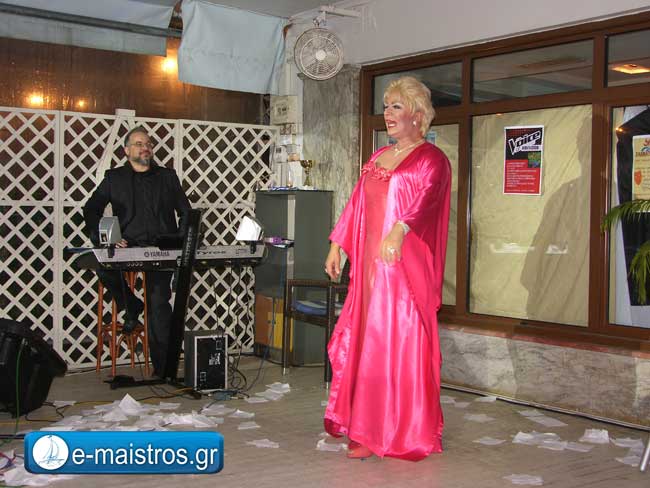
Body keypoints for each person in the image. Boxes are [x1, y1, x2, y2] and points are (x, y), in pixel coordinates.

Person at [323, 76, 451, 461]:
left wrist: (398, 230)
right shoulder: (379, 155)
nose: (388, 113)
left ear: (418, 114)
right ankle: (363, 427)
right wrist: (336, 246)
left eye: (397, 106)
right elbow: (356, 205)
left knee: (395, 341)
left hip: (402, 268)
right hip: (369, 267)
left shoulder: (432, 159)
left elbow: (426, 201)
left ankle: (399, 429)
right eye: (386, 106)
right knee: (367, 340)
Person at [83, 126, 191, 378]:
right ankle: (130, 304)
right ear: (126, 150)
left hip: (161, 249)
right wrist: (108, 237)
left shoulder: (167, 177)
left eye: (148, 144)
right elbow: (91, 209)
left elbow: (185, 212)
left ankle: (163, 370)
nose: (146, 148)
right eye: (139, 144)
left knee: (158, 305)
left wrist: (180, 242)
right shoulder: (114, 178)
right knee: (102, 265)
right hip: (128, 245)